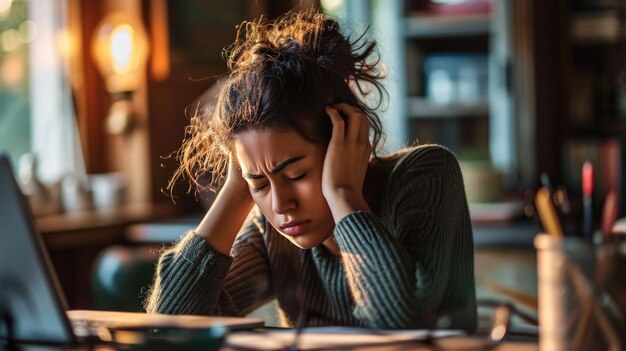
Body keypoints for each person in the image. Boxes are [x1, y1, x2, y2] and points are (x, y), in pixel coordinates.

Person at [145, 10, 476, 332]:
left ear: (341, 143)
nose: (279, 205)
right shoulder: (271, 230)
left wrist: (344, 194)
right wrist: (238, 190)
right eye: (260, 185)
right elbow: (168, 327)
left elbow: (402, 318)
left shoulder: (425, 175)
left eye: (296, 175)